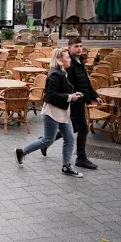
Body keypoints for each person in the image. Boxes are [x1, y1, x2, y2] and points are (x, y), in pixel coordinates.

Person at [14, 48, 84, 177]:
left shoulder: (62, 72)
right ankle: (21, 151)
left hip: (62, 113)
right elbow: (50, 96)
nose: (69, 59)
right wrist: (70, 97)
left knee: (69, 139)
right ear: (59, 60)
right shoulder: (55, 75)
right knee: (47, 140)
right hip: (52, 113)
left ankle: (66, 166)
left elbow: (61, 92)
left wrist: (73, 95)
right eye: (67, 57)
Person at [66, 38, 102, 169]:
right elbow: (69, 85)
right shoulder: (69, 64)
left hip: (81, 100)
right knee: (83, 128)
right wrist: (75, 97)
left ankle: (46, 142)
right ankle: (81, 158)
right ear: (69, 47)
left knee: (73, 127)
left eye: (81, 46)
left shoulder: (80, 61)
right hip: (75, 101)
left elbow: (85, 82)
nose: (79, 49)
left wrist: (94, 96)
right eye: (76, 46)